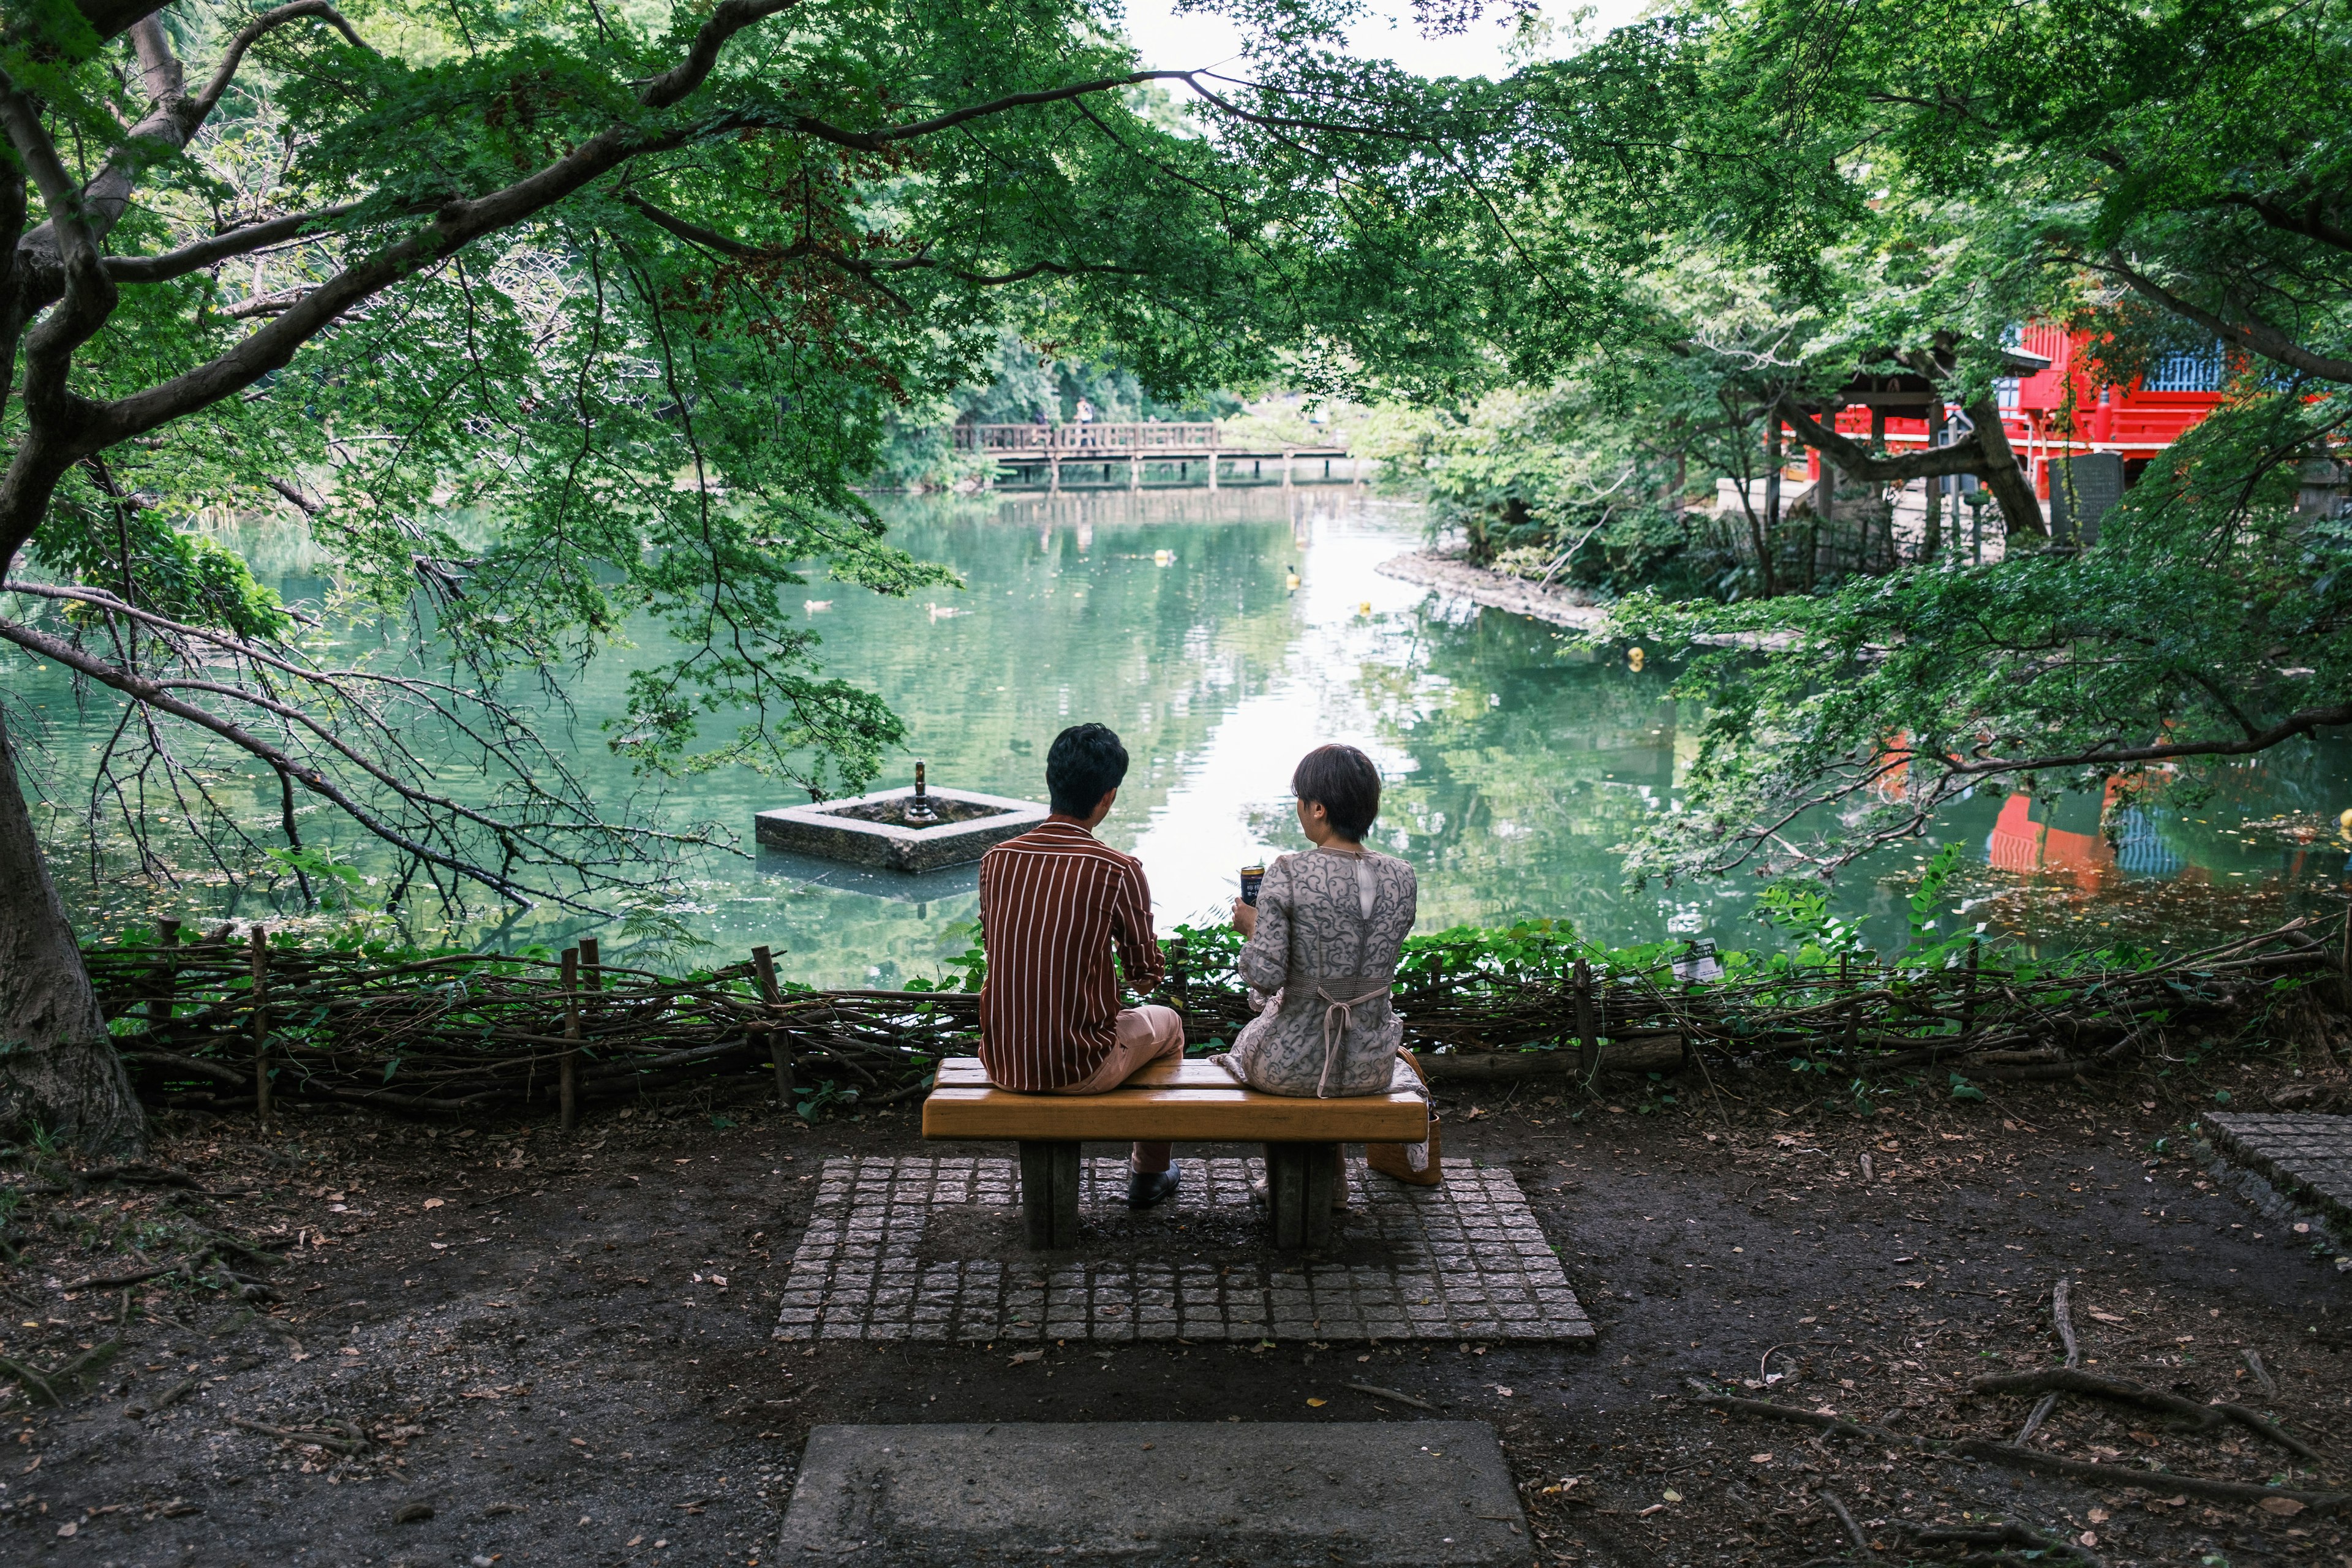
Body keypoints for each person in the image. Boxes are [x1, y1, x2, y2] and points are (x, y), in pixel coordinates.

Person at [976, 723, 1186, 1209]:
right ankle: (1149, 1172)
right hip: (1077, 1066)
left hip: (1003, 1062)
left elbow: (997, 945)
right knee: (1170, 1026)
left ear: (1052, 781)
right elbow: (1143, 974)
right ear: (1108, 797)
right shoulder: (1117, 869)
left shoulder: (997, 860)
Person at [1213, 745, 1416, 1104]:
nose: (1299, 809)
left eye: (1301, 799)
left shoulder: (1290, 870)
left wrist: (1253, 928)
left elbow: (1265, 977)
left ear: (1318, 808)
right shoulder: (1403, 875)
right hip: (1370, 1066)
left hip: (1291, 1065)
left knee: (1248, 1045)